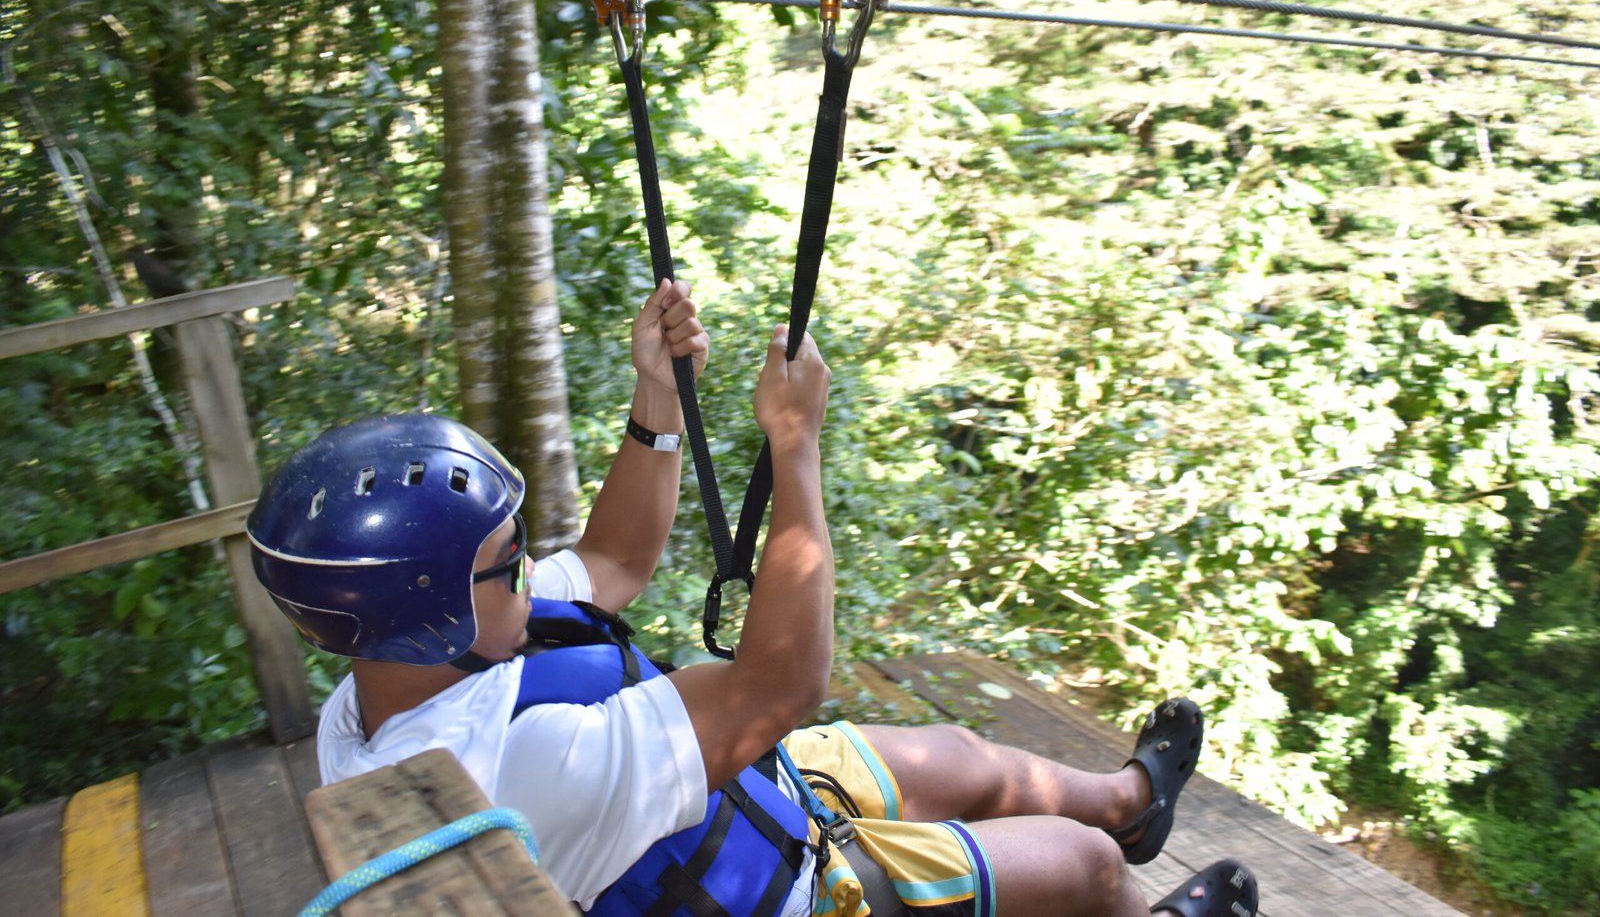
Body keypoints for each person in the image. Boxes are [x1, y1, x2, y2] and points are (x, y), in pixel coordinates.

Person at [249, 279, 1259, 917]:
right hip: (789, 888)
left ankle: (1135, 804)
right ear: (435, 610)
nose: (528, 567)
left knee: (959, 756)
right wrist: (794, 441)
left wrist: (656, 399)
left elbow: (610, 565)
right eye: (506, 558)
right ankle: (1125, 878)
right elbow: (782, 680)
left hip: (739, 799)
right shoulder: (519, 766)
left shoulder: (387, 686)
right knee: (1078, 868)